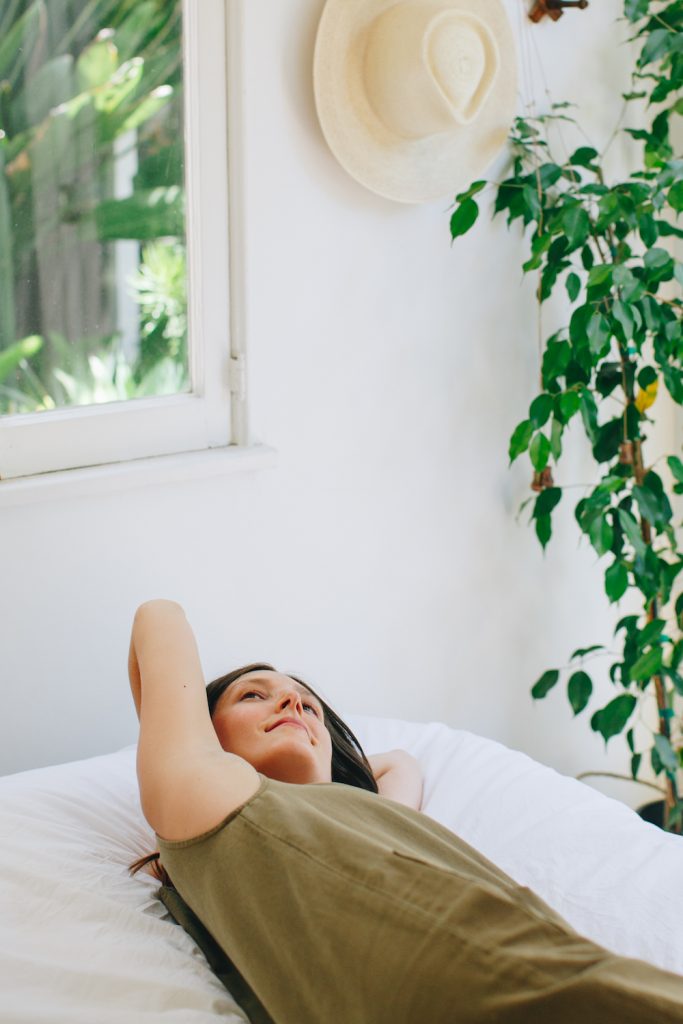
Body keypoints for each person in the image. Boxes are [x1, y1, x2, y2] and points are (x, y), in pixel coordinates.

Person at [129, 599, 683, 1024]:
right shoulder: (210, 795)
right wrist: (183, 739)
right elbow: (159, 617)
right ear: (200, 733)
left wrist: (334, 773)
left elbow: (401, 764)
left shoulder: (365, 814)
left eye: (309, 705)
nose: (294, 702)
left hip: (572, 967)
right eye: (254, 695)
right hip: (489, 991)